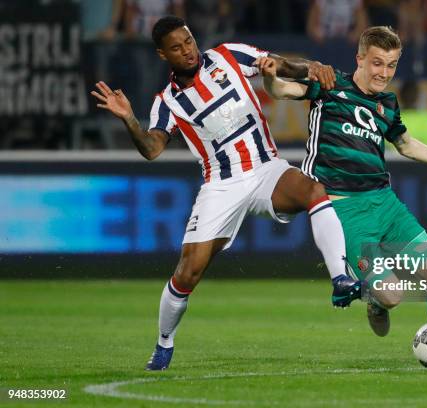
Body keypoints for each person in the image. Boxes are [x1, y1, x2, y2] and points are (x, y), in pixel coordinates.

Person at [91, 16, 363, 371]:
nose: (187, 50)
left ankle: (340, 278)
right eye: (176, 47)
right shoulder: (168, 102)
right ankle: (163, 344)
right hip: (220, 185)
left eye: (188, 40)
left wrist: (306, 68)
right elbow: (153, 148)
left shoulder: (228, 55)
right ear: (162, 55)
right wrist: (129, 119)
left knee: (313, 190)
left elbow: (283, 65)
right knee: (188, 272)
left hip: (266, 168)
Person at [258, 25, 427, 369]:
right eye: (377, 63)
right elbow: (282, 90)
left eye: (391, 65)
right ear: (360, 59)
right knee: (392, 296)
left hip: (386, 204)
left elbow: (405, 143)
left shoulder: (387, 104)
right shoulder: (331, 84)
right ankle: (375, 300)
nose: (384, 73)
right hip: (344, 211)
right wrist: (270, 77)